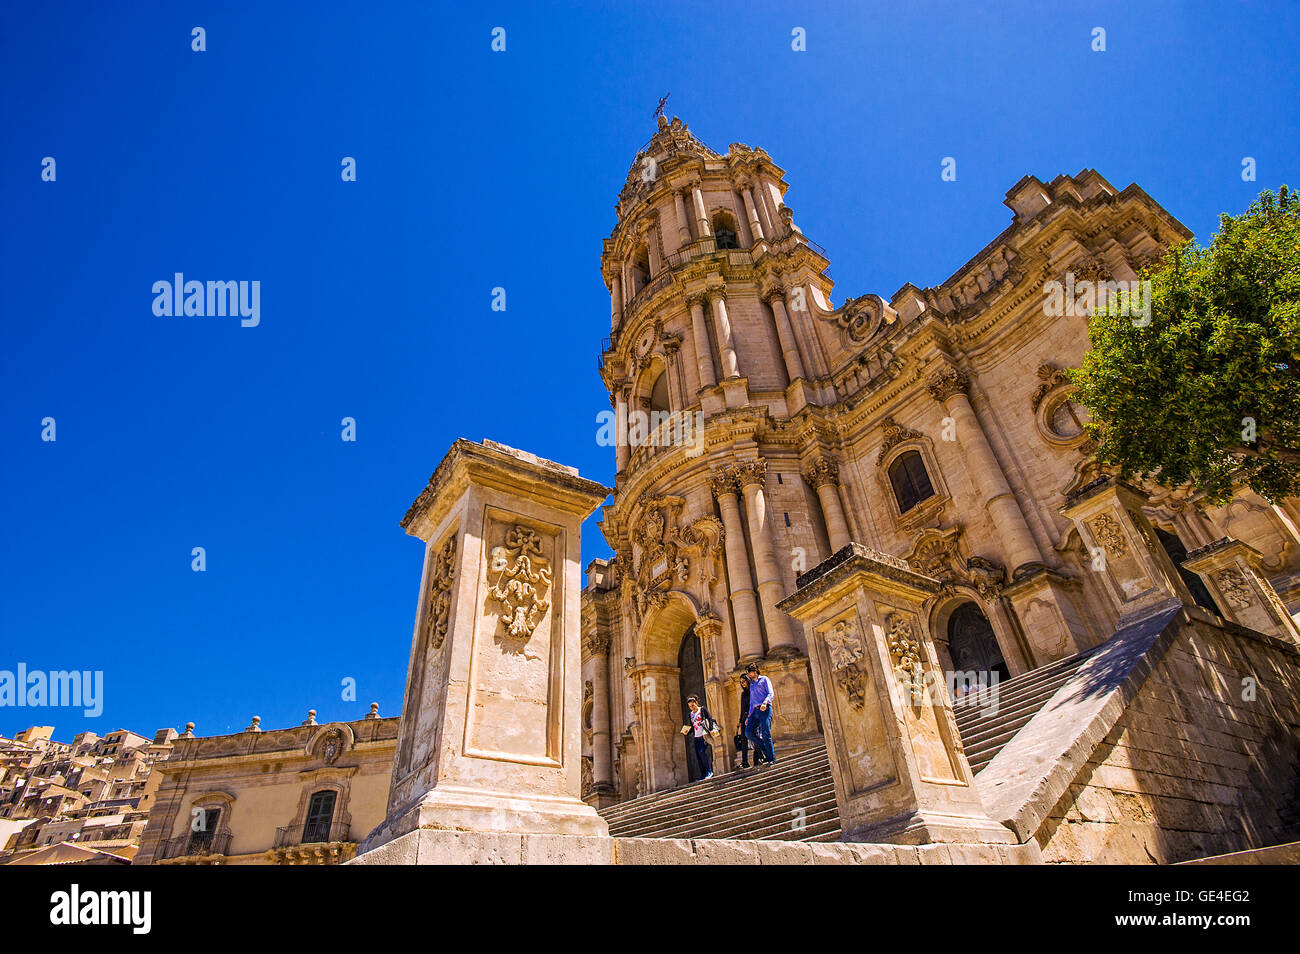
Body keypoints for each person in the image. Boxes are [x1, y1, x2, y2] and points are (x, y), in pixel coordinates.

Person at [744, 663, 777, 766]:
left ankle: (771, 758)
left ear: (755, 671)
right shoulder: (752, 685)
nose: (748, 675)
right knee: (748, 732)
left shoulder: (764, 679)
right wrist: (749, 715)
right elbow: (752, 702)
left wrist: (765, 702)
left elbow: (770, 693)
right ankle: (766, 750)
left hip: (765, 709)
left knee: (766, 733)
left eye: (749, 672)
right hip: (755, 711)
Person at [680, 694, 717, 779]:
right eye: (690, 706)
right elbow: (693, 727)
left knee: (702, 752)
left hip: (704, 735)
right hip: (696, 737)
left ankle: (709, 771)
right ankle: (703, 774)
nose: (692, 707)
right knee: (698, 756)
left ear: (696, 703)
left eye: (693, 705)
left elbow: (709, 719)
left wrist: (711, 729)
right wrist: (687, 732)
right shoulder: (691, 715)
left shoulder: (702, 710)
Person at [736, 674, 766, 769]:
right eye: (741, 682)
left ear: (748, 680)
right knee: (744, 739)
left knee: (754, 737)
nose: (742, 684)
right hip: (745, 717)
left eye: (744, 681)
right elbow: (742, 708)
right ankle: (744, 762)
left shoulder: (753, 691)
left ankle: (759, 757)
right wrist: (740, 721)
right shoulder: (743, 694)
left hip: (753, 715)